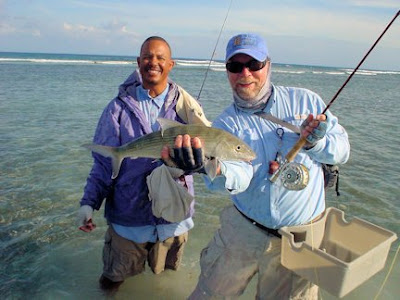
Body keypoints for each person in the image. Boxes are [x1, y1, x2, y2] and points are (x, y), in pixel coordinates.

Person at [162, 33, 350, 299]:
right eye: (235, 66)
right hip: (243, 230)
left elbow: (342, 150)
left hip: (301, 239)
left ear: (268, 65)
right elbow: (239, 174)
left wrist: (317, 144)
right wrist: (207, 166)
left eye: (254, 64)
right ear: (227, 71)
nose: (245, 73)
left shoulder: (306, 101)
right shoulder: (226, 124)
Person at [77, 36, 210, 293]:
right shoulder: (117, 109)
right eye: (148, 56)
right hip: (128, 222)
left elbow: (204, 162)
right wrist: (88, 203)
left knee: (165, 285)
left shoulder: (188, 110)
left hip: (174, 219)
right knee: (111, 282)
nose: (154, 62)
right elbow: (103, 165)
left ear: (171, 64)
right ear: (138, 62)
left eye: (161, 57)